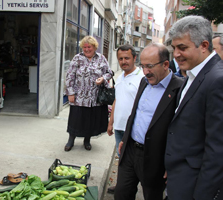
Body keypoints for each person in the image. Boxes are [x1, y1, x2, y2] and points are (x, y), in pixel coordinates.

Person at [114, 43, 184, 200]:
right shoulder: (144, 81)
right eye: (143, 66)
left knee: (152, 196)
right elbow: (135, 114)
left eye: (150, 66)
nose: (145, 72)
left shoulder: (179, 89)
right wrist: (125, 140)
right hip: (130, 151)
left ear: (166, 64)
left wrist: (171, 162)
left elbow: (182, 130)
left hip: (155, 157)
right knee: (121, 194)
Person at [165, 16, 223, 200]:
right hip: (179, 178)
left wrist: (202, 195)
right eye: (174, 48)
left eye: (182, 48)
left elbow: (217, 150)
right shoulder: (192, 73)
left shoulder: (217, 80)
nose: (176, 54)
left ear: (204, 45)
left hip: (194, 186)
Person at [107, 44, 144, 194]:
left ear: (134, 58)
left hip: (134, 130)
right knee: (121, 158)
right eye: (120, 59)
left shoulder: (142, 78)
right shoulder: (120, 77)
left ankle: (132, 185)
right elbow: (116, 100)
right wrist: (111, 123)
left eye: (127, 58)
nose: (123, 61)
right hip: (119, 128)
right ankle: (122, 184)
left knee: (135, 161)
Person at [65, 35, 113, 151]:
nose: (86, 49)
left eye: (89, 47)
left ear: (94, 47)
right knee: (76, 119)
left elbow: (109, 72)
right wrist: (70, 93)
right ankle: (71, 140)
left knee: (90, 120)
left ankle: (87, 140)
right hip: (79, 97)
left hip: (95, 97)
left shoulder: (101, 58)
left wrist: (103, 78)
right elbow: (69, 76)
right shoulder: (77, 58)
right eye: (84, 47)